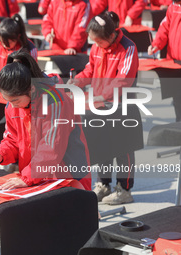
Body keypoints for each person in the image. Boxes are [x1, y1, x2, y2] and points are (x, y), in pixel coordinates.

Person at [0, 51, 91, 190]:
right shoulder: (12, 106)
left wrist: (29, 177)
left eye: (15, 100)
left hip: (67, 176)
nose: (12, 104)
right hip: (36, 177)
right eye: (8, 100)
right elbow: (12, 139)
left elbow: (51, 147)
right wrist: (0, 154)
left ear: (32, 89)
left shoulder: (55, 102)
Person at [73, 12, 139, 205]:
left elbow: (123, 80)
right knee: (102, 144)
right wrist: (76, 81)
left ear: (110, 36)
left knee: (123, 148)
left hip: (121, 106)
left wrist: (103, 95)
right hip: (99, 105)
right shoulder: (97, 48)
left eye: (99, 42)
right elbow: (89, 70)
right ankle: (103, 183)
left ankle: (124, 188)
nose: (96, 45)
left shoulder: (129, 48)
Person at [0, 14, 37, 87]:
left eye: (9, 43)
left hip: (20, 88)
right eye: (2, 42)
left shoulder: (28, 48)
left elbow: (32, 71)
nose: (5, 45)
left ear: (18, 37)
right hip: (2, 86)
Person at [148, 0, 181, 121]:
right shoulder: (173, 7)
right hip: (173, 61)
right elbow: (164, 27)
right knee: (177, 98)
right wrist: (156, 44)